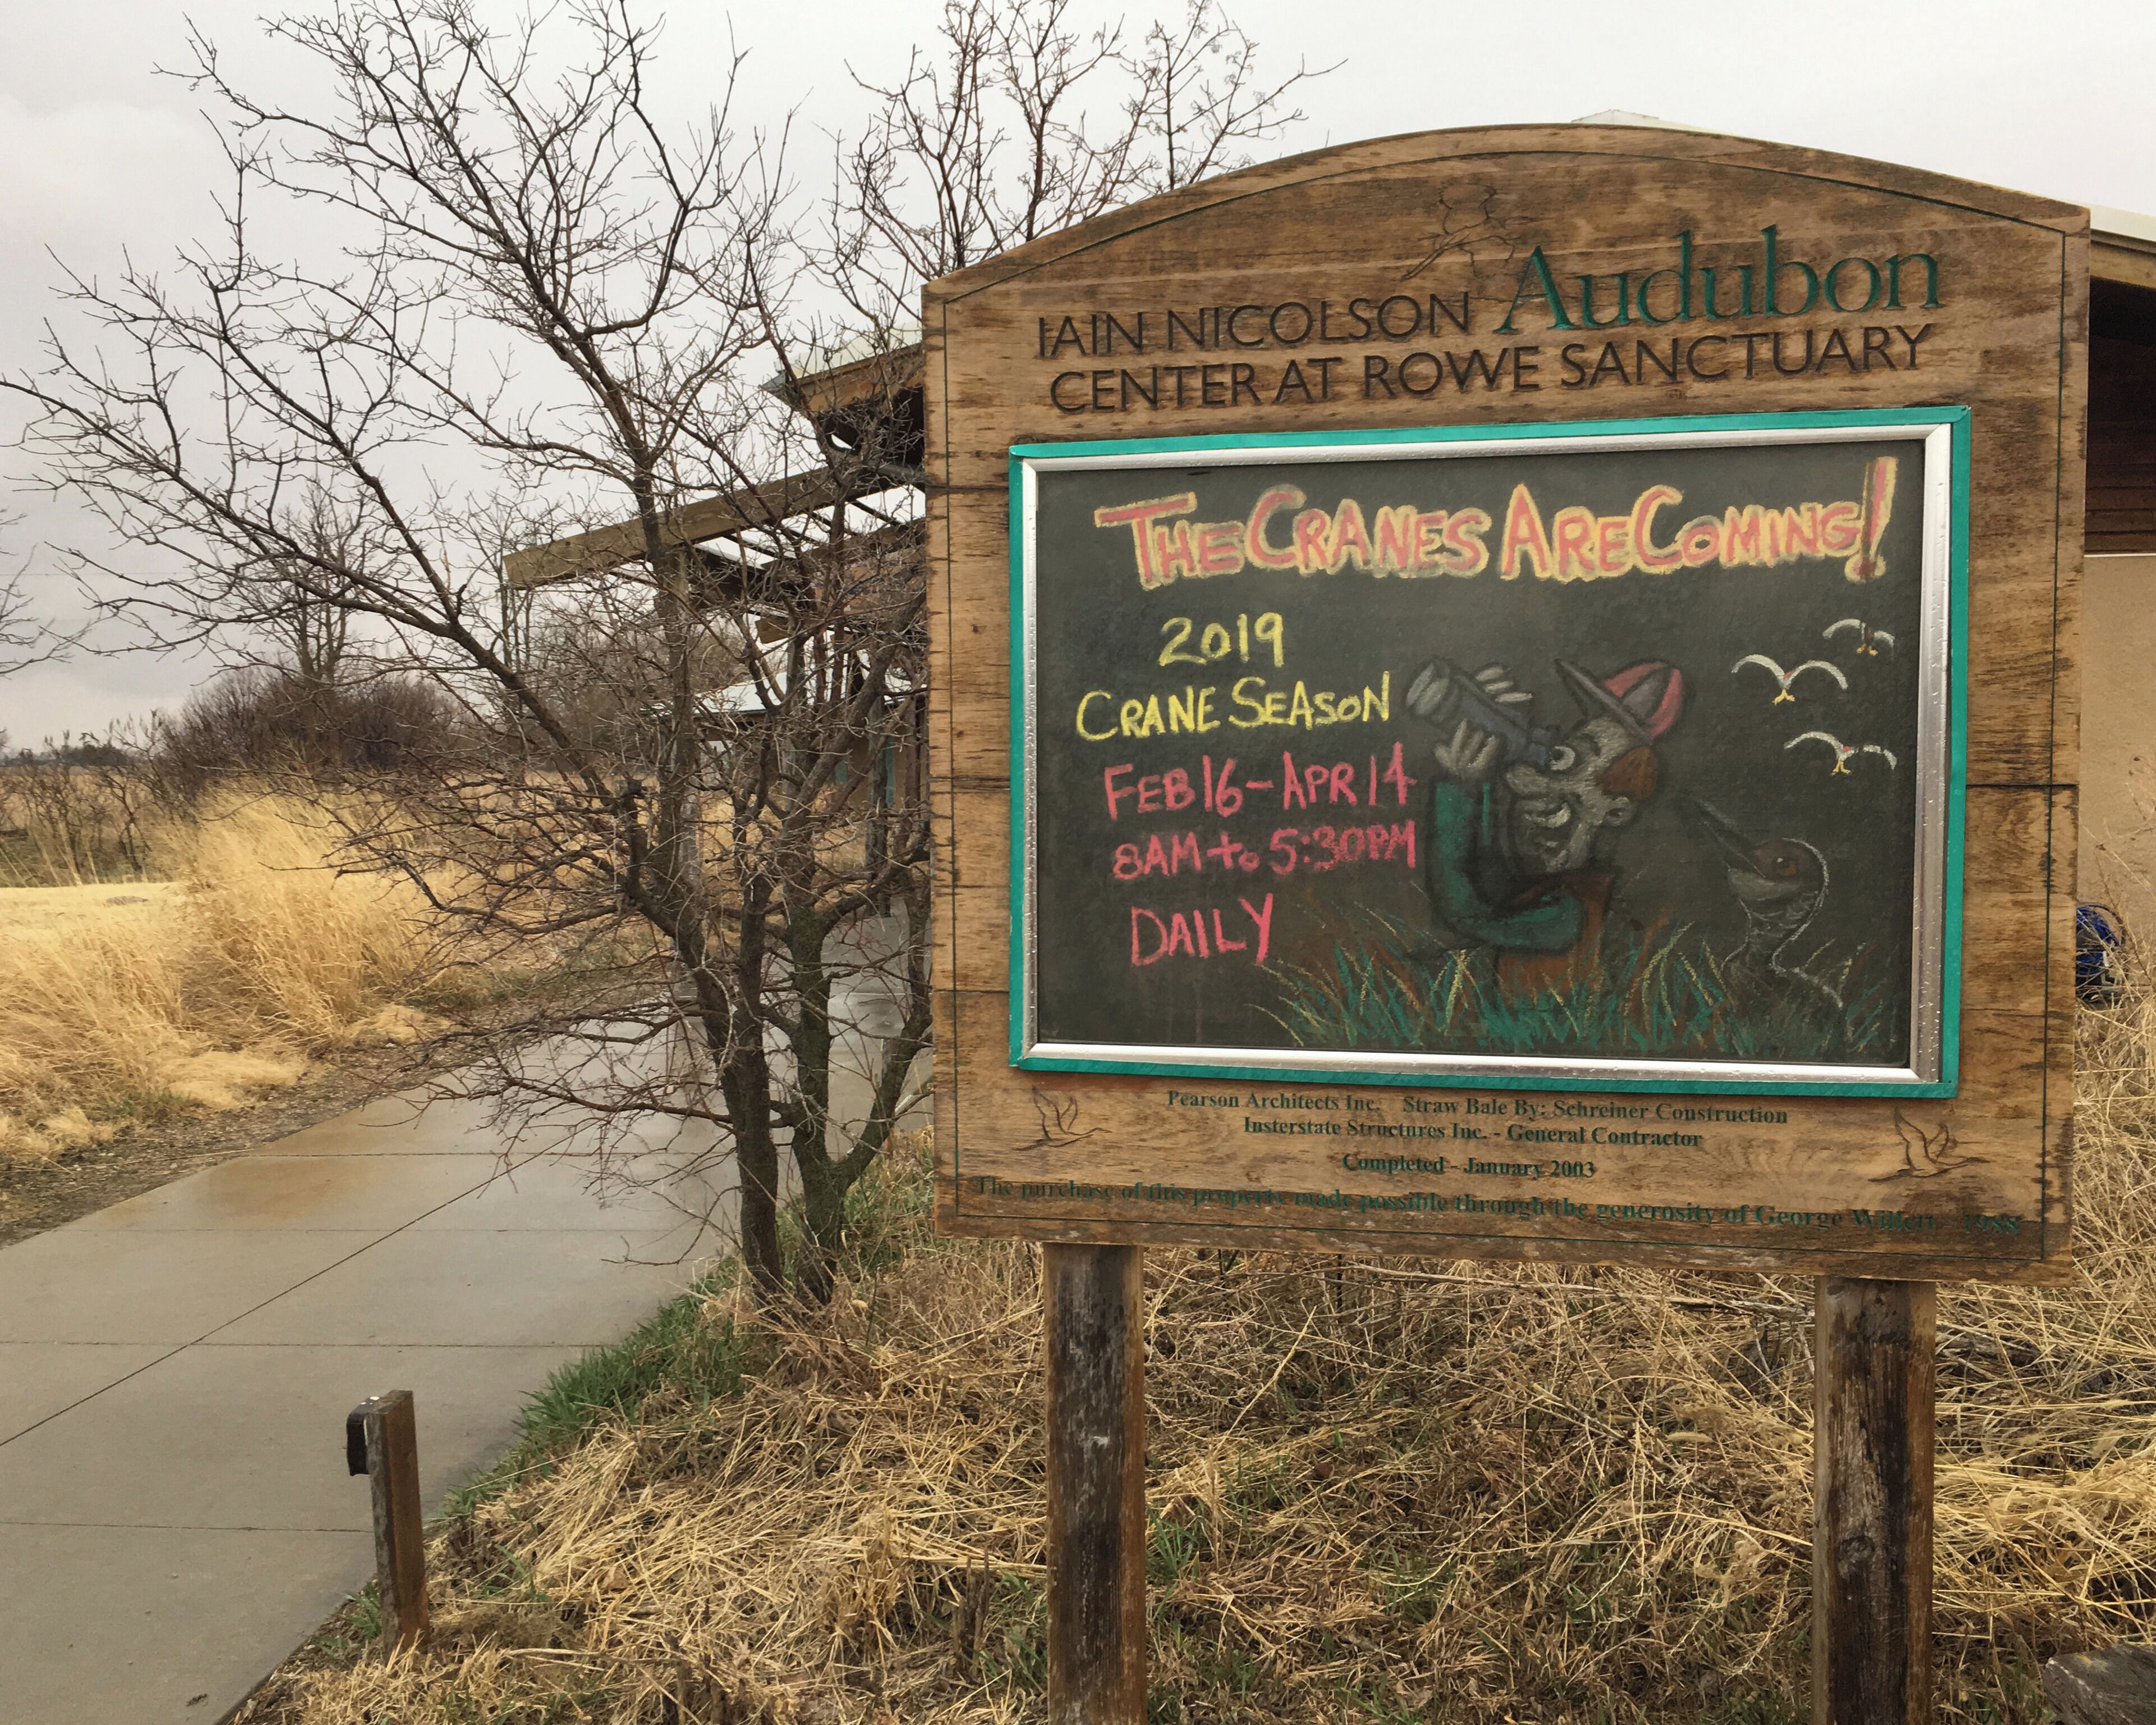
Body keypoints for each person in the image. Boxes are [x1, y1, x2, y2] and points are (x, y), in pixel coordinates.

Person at [1405, 656, 1685, 992]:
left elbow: (1467, 913)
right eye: (1561, 755)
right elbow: (1489, 883)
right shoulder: (1552, 888)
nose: (1548, 775)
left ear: (1615, 813)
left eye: (1573, 767)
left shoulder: (1571, 913)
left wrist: (1460, 791)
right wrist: (1485, 764)